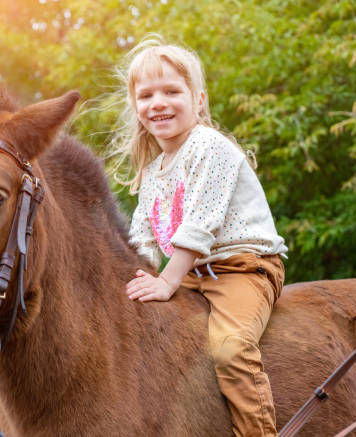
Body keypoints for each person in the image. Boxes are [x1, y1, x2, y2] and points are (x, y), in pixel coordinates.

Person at [113, 35, 288, 437]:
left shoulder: (210, 147)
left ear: (199, 99)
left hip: (242, 269)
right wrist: (129, 282)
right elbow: (141, 238)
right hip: (193, 276)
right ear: (136, 106)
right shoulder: (155, 171)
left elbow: (200, 225)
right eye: (146, 95)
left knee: (230, 350)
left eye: (172, 91)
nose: (158, 102)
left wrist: (166, 280)